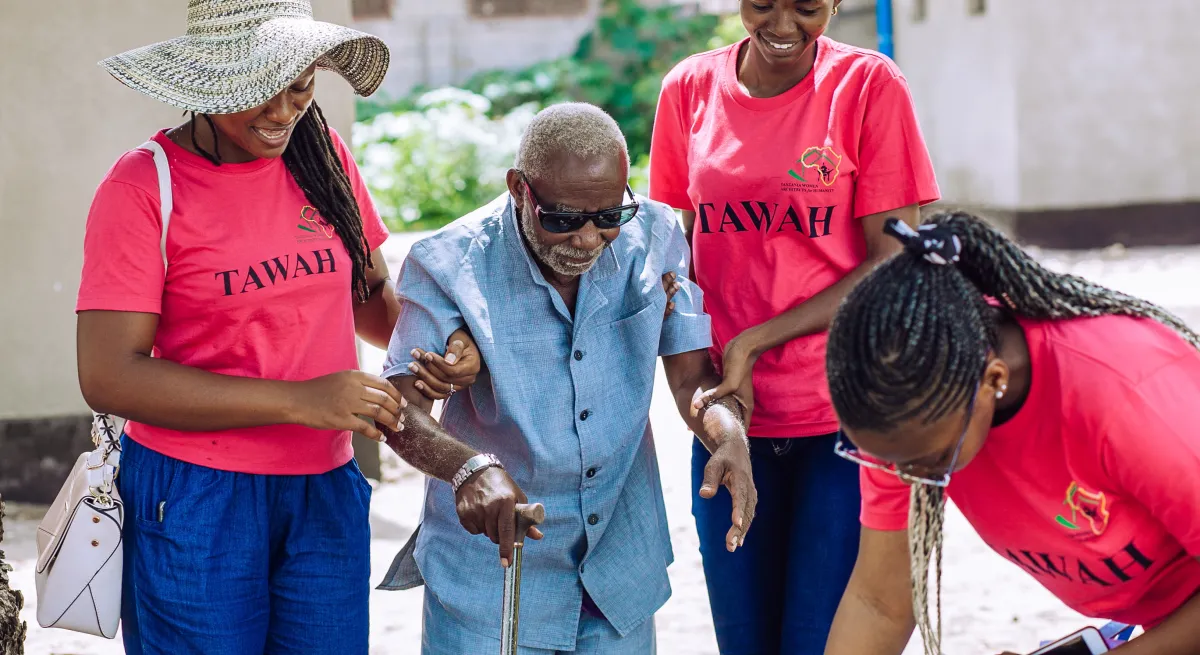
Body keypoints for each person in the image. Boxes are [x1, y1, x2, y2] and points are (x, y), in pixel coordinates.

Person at [75, 2, 482, 652]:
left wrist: (443, 344)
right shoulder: (143, 187)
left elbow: (371, 298)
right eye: (259, 92)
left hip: (325, 488)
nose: (282, 113)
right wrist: (301, 399)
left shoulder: (320, 156)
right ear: (209, 81)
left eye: (301, 86)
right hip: (194, 500)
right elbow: (108, 375)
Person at [375, 102, 757, 655]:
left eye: (607, 217)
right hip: (491, 579)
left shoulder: (655, 238)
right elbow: (399, 412)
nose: (586, 239)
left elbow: (691, 377)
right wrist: (466, 469)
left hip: (618, 571)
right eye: (561, 219)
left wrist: (727, 433)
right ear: (518, 188)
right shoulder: (449, 262)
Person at [647, 0, 940, 651]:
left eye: (807, 7)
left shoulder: (867, 86)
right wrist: (705, 404)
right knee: (745, 642)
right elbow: (667, 262)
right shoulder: (688, 89)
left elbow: (894, 259)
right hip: (729, 424)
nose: (782, 26)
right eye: (762, 4)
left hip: (843, 423)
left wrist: (753, 340)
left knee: (817, 641)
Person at [822, 212, 1200, 655]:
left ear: (993, 380)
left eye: (932, 460)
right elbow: (879, 603)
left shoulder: (1122, 393)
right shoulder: (907, 422)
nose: (908, 476)